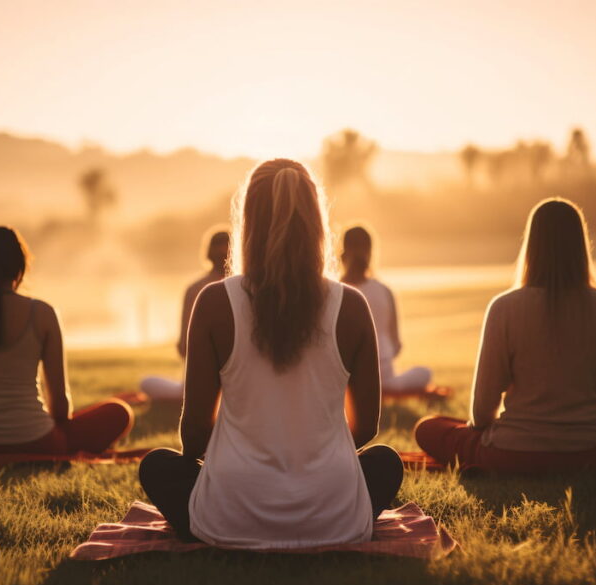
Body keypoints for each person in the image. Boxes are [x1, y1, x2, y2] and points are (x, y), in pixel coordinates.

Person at [139, 159, 403, 547]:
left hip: (229, 516)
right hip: (335, 517)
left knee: (157, 466)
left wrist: (243, 457)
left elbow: (194, 434)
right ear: (317, 222)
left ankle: (232, 511)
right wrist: (309, 454)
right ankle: (325, 512)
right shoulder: (352, 304)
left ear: (248, 221)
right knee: (385, 462)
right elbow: (366, 428)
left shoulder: (213, 301)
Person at [414, 198, 596, 474]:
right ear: (581, 244)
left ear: (531, 244)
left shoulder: (504, 307)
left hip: (511, 453)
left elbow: (481, 413)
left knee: (429, 428)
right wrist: (585, 425)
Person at [0, 226, 133, 454]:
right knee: (118, 412)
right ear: (22, 265)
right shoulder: (43, 314)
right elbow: (59, 406)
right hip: (34, 442)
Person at [139, 229, 230, 401]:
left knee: (147, 383)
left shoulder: (196, 289)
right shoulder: (248, 286)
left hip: (206, 376)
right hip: (229, 375)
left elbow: (183, 347)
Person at [340, 224, 432, 392]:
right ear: (370, 253)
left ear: (342, 252)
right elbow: (396, 345)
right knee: (425, 373)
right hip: (383, 379)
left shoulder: (334, 291)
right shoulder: (384, 291)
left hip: (343, 379)